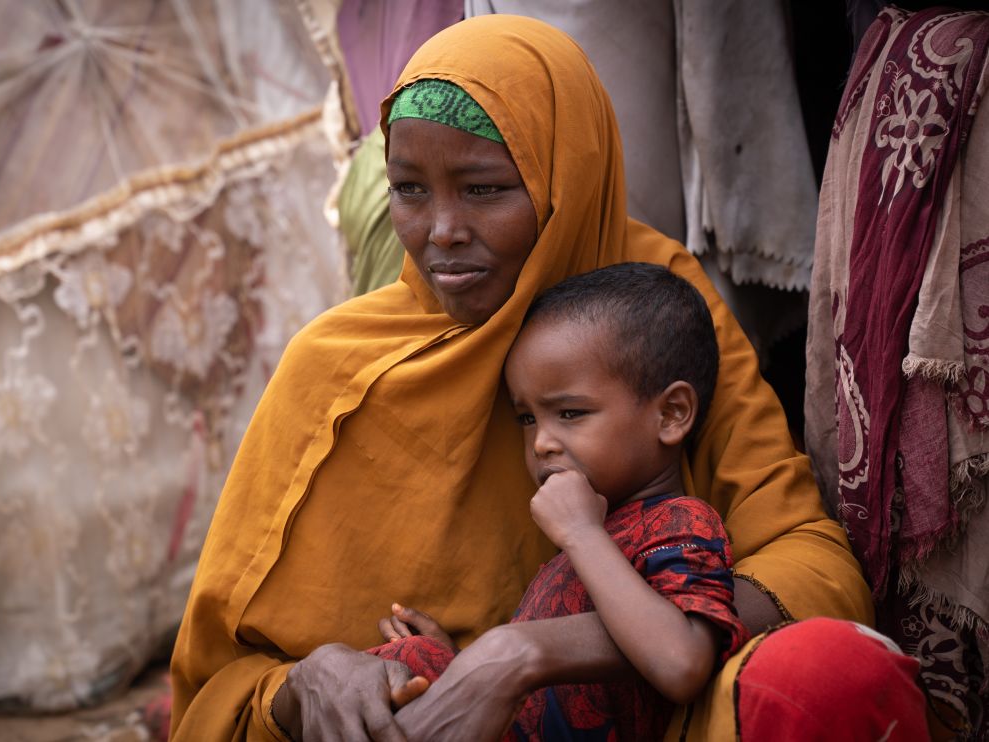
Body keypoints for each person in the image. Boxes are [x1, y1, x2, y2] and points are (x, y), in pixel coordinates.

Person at [170, 15, 925, 741]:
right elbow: (215, 689)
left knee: (827, 674)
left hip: (660, 712)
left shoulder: (645, 301)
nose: (441, 232)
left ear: (569, 173)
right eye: (409, 189)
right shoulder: (337, 364)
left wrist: (528, 653)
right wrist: (305, 684)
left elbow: (814, 570)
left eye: (484, 188)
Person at [368, 263, 750, 740]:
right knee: (404, 666)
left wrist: (581, 533)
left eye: (570, 413)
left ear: (671, 414)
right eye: (527, 419)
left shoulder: (678, 522)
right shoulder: (591, 535)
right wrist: (457, 666)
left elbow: (683, 663)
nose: (542, 443)